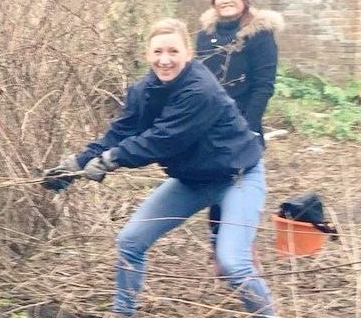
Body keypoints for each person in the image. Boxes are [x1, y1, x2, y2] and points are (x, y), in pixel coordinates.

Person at [43, 18, 275, 317]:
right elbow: (119, 133)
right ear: (148, 53)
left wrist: (110, 160)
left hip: (238, 178)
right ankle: (122, 313)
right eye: (158, 52)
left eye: (173, 51)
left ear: (188, 53)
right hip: (193, 181)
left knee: (232, 263)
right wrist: (77, 164)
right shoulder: (143, 90)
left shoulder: (200, 90)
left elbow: (162, 140)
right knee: (130, 241)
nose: (165, 60)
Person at [196, 0, 283, 249]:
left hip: (243, 121)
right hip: (209, 123)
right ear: (214, 1)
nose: (225, 0)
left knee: (239, 182)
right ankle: (217, 243)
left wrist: (247, 126)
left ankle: (237, 246)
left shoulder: (260, 35)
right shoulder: (204, 36)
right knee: (215, 178)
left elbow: (263, 85)